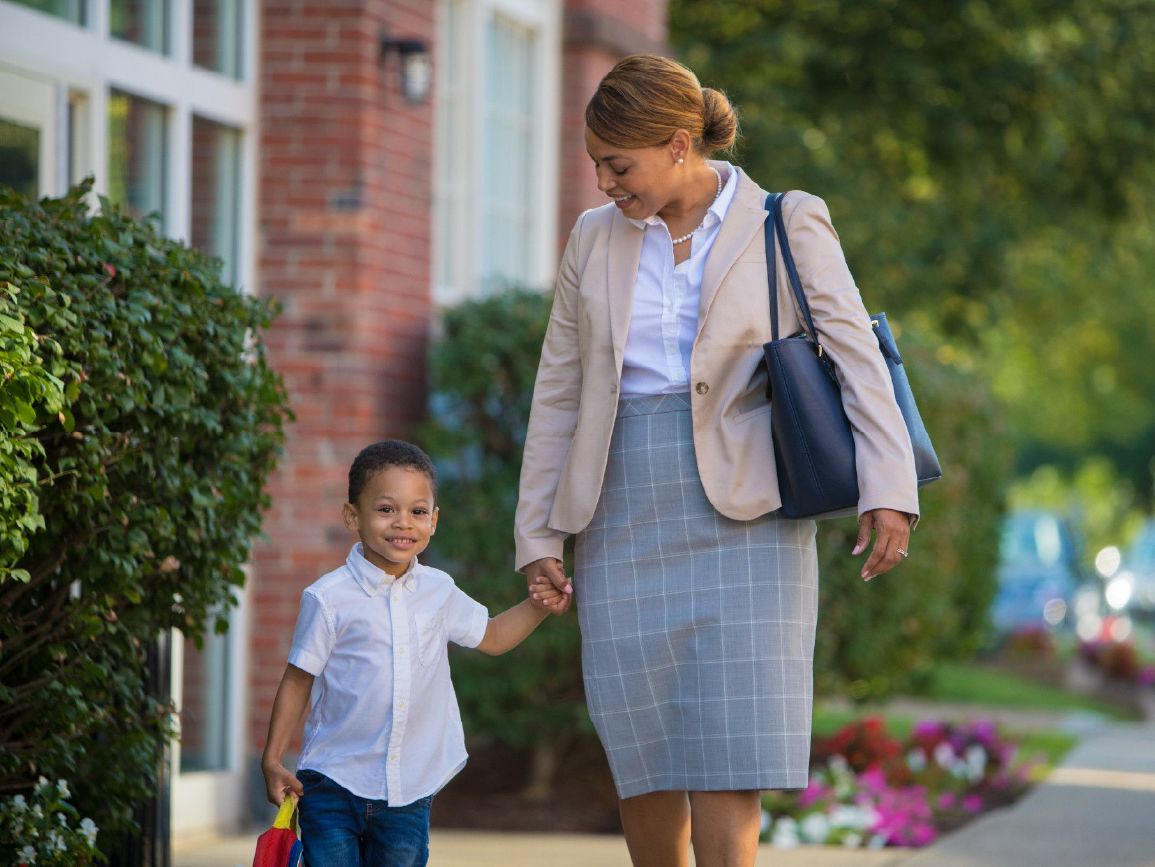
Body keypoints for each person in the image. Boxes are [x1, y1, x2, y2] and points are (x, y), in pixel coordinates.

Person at [518, 55, 919, 867]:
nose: (602, 182)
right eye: (595, 164)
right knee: (642, 745)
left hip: (750, 514)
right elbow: (558, 387)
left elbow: (854, 356)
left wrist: (889, 486)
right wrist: (538, 533)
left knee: (732, 744)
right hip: (621, 510)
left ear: (676, 144)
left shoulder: (784, 220)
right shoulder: (593, 236)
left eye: (617, 164)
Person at [261, 439, 568, 867]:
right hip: (332, 781)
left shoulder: (438, 590)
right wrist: (273, 757)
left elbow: (494, 635)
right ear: (352, 516)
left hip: (408, 789)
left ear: (434, 520)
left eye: (418, 511)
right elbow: (299, 678)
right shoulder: (328, 598)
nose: (403, 522)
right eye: (386, 509)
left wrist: (537, 606)